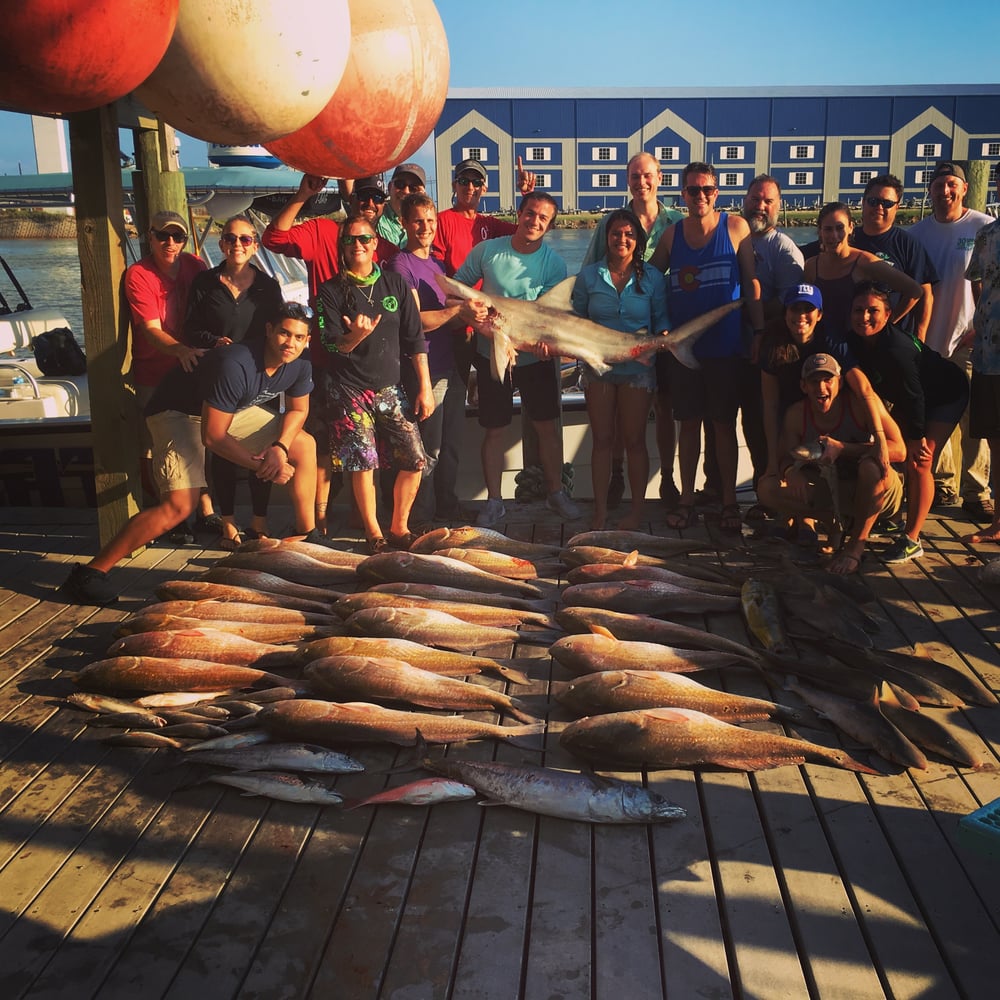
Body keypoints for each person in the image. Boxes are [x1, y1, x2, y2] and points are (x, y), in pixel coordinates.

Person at [61, 302, 323, 605]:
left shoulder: (300, 364)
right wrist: (265, 465)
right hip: (177, 412)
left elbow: (298, 409)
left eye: (299, 337)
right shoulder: (236, 363)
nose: (290, 343)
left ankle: (307, 535)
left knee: (303, 444)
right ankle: (90, 574)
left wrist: (279, 448)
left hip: (227, 410)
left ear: (307, 341)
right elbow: (213, 437)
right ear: (269, 331)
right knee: (178, 506)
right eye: (284, 333)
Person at [261, 173, 397, 533]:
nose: (369, 205)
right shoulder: (322, 230)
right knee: (322, 445)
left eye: (376, 200)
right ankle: (318, 520)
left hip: (370, 370)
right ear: (349, 198)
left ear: (384, 206)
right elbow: (274, 238)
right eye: (363, 198)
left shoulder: (382, 245)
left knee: (366, 449)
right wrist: (303, 194)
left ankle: (360, 517)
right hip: (325, 361)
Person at [648, 161, 764, 533]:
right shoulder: (672, 235)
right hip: (684, 351)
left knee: (723, 425)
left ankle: (729, 502)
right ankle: (687, 498)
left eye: (707, 190)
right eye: (693, 190)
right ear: (682, 194)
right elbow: (649, 281)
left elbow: (752, 284)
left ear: (717, 193)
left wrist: (759, 331)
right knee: (688, 426)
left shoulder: (735, 228)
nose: (700, 196)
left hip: (725, 347)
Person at [453, 192, 580, 527]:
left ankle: (556, 493)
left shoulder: (553, 263)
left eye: (542, 218)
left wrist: (547, 345)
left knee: (547, 430)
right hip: (491, 354)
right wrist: (475, 323)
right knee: (494, 430)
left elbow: (551, 318)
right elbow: (456, 292)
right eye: (530, 213)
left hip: (535, 360)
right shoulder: (488, 251)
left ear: (550, 225)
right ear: (519, 214)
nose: (534, 221)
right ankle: (494, 501)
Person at [314, 215, 434, 553]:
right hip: (348, 389)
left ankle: (399, 527)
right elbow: (332, 344)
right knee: (362, 463)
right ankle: (374, 534)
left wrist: (424, 387)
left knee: (415, 459)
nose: (358, 246)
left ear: (375, 243)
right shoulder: (331, 290)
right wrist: (356, 336)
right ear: (342, 247)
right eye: (350, 240)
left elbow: (415, 340)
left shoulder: (395, 284)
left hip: (390, 387)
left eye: (364, 239)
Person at [830, 281, 969, 563]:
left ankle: (912, 538)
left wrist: (917, 438)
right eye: (859, 310)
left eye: (873, 311)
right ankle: (890, 516)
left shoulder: (896, 348)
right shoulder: (853, 341)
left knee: (920, 461)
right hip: (911, 398)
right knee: (893, 451)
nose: (864, 317)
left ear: (889, 314)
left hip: (945, 394)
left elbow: (915, 397)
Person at [581, 151, 683, 508]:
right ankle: (617, 474)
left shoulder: (676, 222)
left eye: (648, 176)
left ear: (660, 178)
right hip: (615, 337)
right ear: (628, 180)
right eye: (635, 176)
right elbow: (590, 272)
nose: (642, 183)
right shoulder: (611, 222)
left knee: (666, 406)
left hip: (664, 328)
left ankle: (668, 476)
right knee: (621, 412)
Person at [184, 215, 284, 549]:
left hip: (259, 376)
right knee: (223, 451)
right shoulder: (204, 283)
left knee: (262, 446)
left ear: (255, 245)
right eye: (230, 238)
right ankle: (228, 522)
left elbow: (280, 327)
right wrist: (215, 341)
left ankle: (259, 520)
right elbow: (190, 329)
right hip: (220, 377)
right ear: (221, 243)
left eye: (244, 239)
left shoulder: (267, 286)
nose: (237, 245)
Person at [758, 353, 905, 574]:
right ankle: (835, 523)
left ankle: (856, 546)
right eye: (814, 381)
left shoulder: (860, 406)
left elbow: (900, 450)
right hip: (834, 491)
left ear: (840, 382)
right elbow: (785, 456)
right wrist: (790, 471)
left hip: (879, 493)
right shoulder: (797, 414)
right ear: (803, 386)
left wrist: (843, 448)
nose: (821, 387)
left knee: (870, 467)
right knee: (767, 488)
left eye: (828, 380)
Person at [572, 209, 669, 530]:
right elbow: (577, 322)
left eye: (629, 234)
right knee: (602, 439)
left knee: (634, 440)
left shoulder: (653, 278)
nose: (622, 240)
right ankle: (600, 512)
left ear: (638, 240)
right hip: (598, 367)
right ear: (606, 238)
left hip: (638, 369)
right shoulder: (589, 276)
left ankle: (636, 512)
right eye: (616, 234)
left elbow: (661, 321)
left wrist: (665, 337)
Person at [909, 161, 993, 519]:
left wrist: (979, 326)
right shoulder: (915, 233)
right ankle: (943, 484)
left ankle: (976, 489)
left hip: (970, 339)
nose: (945, 191)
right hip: (928, 340)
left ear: (964, 189)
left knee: (976, 418)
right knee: (933, 414)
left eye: (952, 185)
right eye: (939, 185)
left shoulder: (983, 227)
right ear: (929, 191)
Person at [124, 208, 211, 541]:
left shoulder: (196, 266)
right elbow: (150, 330)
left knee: (199, 442)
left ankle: (205, 511)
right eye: (163, 236)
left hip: (191, 373)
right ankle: (170, 518)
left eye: (177, 237)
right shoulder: (138, 274)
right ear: (150, 236)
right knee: (158, 450)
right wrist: (180, 350)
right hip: (154, 374)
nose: (170, 243)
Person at [384, 193, 468, 526]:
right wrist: (459, 311)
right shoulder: (400, 265)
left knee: (451, 447)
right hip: (426, 371)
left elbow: (452, 317)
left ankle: (447, 508)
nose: (426, 228)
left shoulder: (439, 265)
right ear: (404, 223)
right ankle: (420, 518)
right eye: (418, 221)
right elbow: (416, 320)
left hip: (452, 366)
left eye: (431, 221)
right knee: (428, 451)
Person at [740, 174, 805, 521]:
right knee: (750, 424)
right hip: (736, 348)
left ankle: (781, 499)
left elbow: (789, 305)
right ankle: (761, 495)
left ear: (779, 206)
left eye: (768, 201)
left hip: (770, 351)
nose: (760, 206)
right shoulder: (735, 237)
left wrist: (754, 318)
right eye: (755, 199)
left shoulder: (783, 248)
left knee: (772, 424)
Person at [802, 202, 925, 340]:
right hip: (824, 342)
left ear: (850, 228)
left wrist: (887, 322)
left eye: (839, 228)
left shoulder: (866, 262)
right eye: (828, 229)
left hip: (859, 346)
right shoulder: (811, 266)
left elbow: (915, 291)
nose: (834, 235)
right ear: (820, 231)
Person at [850, 173, 937, 341]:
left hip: (893, 335)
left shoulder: (908, 244)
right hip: (851, 334)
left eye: (887, 203)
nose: (879, 207)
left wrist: (918, 336)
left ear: (897, 206)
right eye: (873, 201)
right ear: (863, 202)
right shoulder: (846, 239)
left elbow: (924, 293)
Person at [962, 164, 1000, 544]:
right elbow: (976, 283)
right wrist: (979, 323)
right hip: (989, 355)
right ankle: (999, 523)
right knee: (995, 439)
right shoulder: (987, 234)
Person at [379, 163, 426, 248]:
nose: (406, 191)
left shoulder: (429, 225)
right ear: (390, 187)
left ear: (423, 195)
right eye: (400, 184)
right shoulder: (375, 216)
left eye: (414, 188)